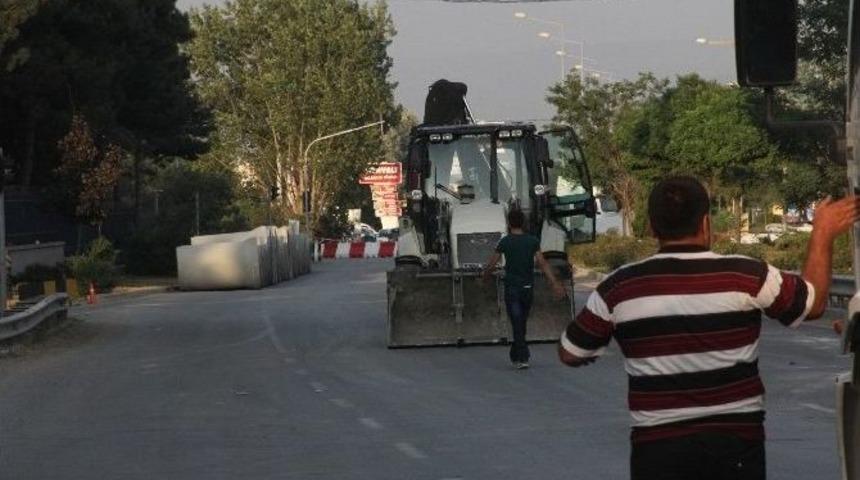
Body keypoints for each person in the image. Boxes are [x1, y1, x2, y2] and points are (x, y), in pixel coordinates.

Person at [558, 176, 860, 480]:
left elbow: (570, 352)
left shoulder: (619, 287)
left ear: (651, 227)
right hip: (735, 446)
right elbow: (812, 303)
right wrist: (822, 234)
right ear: (706, 223)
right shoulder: (747, 275)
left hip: (657, 451)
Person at [483, 209, 565, 369]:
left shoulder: (505, 242)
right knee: (521, 322)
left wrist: (484, 277)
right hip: (527, 288)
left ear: (508, 223)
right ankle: (519, 355)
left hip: (512, 288)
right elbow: (542, 263)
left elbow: (492, 264)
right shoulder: (532, 241)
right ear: (524, 223)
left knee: (517, 322)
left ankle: (521, 356)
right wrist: (554, 283)